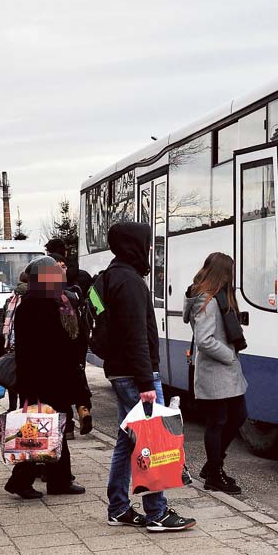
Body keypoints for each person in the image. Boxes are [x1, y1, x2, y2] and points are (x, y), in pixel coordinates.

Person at [103, 221, 196, 532]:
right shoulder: (128, 281)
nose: (149, 249)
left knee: (127, 441)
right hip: (134, 375)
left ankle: (118, 507)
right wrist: (146, 383)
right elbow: (135, 336)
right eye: (145, 243)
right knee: (151, 442)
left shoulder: (111, 276)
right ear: (134, 245)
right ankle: (156, 512)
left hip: (121, 371)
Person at [4, 257, 87, 499]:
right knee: (45, 430)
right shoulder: (38, 306)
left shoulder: (43, 302)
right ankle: (50, 481)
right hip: (45, 379)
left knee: (44, 430)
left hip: (47, 378)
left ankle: (36, 479)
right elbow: (43, 347)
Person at [183, 253, 248, 495]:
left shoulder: (214, 299)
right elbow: (205, 340)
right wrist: (229, 355)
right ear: (223, 274)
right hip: (216, 371)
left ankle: (213, 466)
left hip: (223, 373)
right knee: (218, 422)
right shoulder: (208, 302)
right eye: (230, 272)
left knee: (237, 415)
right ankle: (214, 474)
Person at [47, 252, 93, 438]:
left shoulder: (51, 296)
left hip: (60, 349)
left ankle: (67, 427)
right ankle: (83, 409)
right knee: (77, 377)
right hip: (76, 344)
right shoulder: (76, 291)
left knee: (60, 386)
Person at [0, 271, 29, 411]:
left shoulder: (11, 299)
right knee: (26, 379)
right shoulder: (34, 297)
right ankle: (24, 407)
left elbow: (3, 324)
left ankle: (12, 407)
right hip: (26, 346)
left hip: (11, 345)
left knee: (11, 375)